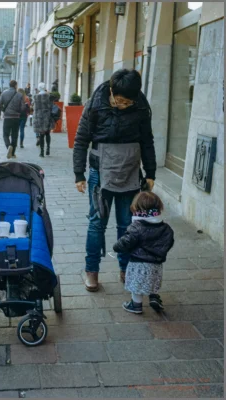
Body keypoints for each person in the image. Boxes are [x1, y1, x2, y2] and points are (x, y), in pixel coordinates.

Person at [73, 68, 156, 292]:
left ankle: (126, 269)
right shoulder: (96, 104)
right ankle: (92, 271)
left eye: (128, 102)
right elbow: (81, 139)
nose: (123, 105)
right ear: (111, 90)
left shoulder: (139, 105)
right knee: (97, 223)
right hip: (100, 171)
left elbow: (147, 140)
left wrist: (150, 172)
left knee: (126, 224)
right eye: (119, 101)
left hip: (130, 171)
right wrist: (79, 174)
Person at [113, 192, 174, 314]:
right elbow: (169, 242)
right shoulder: (165, 228)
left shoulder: (136, 227)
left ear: (137, 209)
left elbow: (126, 241)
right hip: (156, 263)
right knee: (153, 280)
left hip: (138, 263)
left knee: (137, 284)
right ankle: (154, 298)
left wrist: (117, 247)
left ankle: (136, 305)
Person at [0, 80, 25, 159]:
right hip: (16, 117)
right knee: (14, 135)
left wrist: (4, 110)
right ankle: (13, 153)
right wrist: (18, 111)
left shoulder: (4, 93)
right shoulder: (19, 95)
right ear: (15, 85)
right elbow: (23, 108)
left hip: (7, 117)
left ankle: (8, 146)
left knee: (5, 134)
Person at [33, 82, 54, 157]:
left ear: (39, 88)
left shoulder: (36, 97)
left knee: (41, 135)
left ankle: (42, 152)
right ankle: (48, 149)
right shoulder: (49, 96)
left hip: (39, 117)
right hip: (47, 117)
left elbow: (34, 108)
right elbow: (51, 106)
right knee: (48, 133)